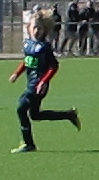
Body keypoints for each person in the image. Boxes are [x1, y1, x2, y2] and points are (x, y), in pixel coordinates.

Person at [8, 12, 80, 153]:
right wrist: (16, 73)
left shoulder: (45, 47)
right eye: (34, 27)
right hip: (31, 83)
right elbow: (26, 61)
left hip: (38, 86)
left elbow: (54, 66)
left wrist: (43, 81)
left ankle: (28, 144)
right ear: (29, 27)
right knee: (35, 115)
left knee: (21, 108)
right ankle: (69, 115)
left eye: (40, 28)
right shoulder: (28, 44)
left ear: (45, 30)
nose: (36, 31)